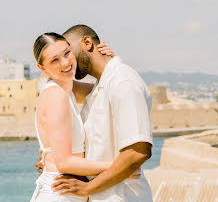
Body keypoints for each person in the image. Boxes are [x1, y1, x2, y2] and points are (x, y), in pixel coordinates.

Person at [46, 25, 154, 202]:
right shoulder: (101, 86)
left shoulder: (123, 81)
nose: (67, 61)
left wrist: (88, 188)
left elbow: (138, 152)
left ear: (87, 43)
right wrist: (53, 159)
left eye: (68, 52)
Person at [30, 32, 119, 202]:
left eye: (67, 53)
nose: (65, 63)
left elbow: (105, 88)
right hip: (60, 193)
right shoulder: (56, 94)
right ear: (42, 68)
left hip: (67, 192)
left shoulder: (66, 87)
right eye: (54, 60)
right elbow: (64, 163)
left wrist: (109, 62)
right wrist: (119, 167)